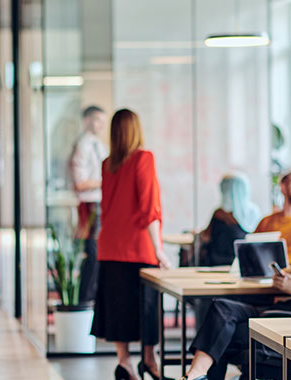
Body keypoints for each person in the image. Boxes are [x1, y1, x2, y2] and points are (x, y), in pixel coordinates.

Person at [180, 209, 291, 380]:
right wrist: (279, 273)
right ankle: (196, 373)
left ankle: (195, 375)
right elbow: (289, 271)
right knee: (221, 307)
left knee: (223, 333)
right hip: (279, 312)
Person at [91, 109, 172, 380]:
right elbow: (150, 208)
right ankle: (149, 360)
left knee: (117, 307)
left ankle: (124, 362)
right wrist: (159, 249)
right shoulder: (144, 159)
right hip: (139, 248)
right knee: (146, 307)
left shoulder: (107, 164)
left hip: (110, 248)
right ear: (136, 129)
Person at [69, 105, 109, 303]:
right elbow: (80, 183)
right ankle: (85, 298)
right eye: (97, 120)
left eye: (103, 120)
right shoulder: (83, 145)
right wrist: (107, 181)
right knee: (92, 253)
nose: (101, 125)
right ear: (87, 120)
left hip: (99, 202)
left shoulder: (98, 144)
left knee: (97, 254)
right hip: (89, 204)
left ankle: (91, 296)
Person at [198, 172, 262, 266]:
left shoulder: (219, 213)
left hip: (217, 264)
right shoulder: (254, 212)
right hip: (245, 264)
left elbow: (206, 237)